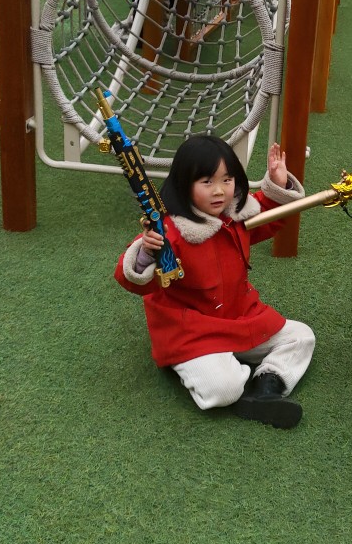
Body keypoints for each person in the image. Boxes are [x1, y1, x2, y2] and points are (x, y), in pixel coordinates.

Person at [115, 136, 315, 429]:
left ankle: (266, 387)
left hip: (240, 317)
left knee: (302, 336)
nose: (220, 190)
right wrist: (146, 252)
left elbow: (268, 215)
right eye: (207, 181)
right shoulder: (168, 230)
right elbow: (132, 281)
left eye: (227, 179)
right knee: (224, 389)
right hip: (191, 332)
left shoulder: (235, 214)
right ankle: (201, 367)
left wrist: (277, 184)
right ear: (184, 184)